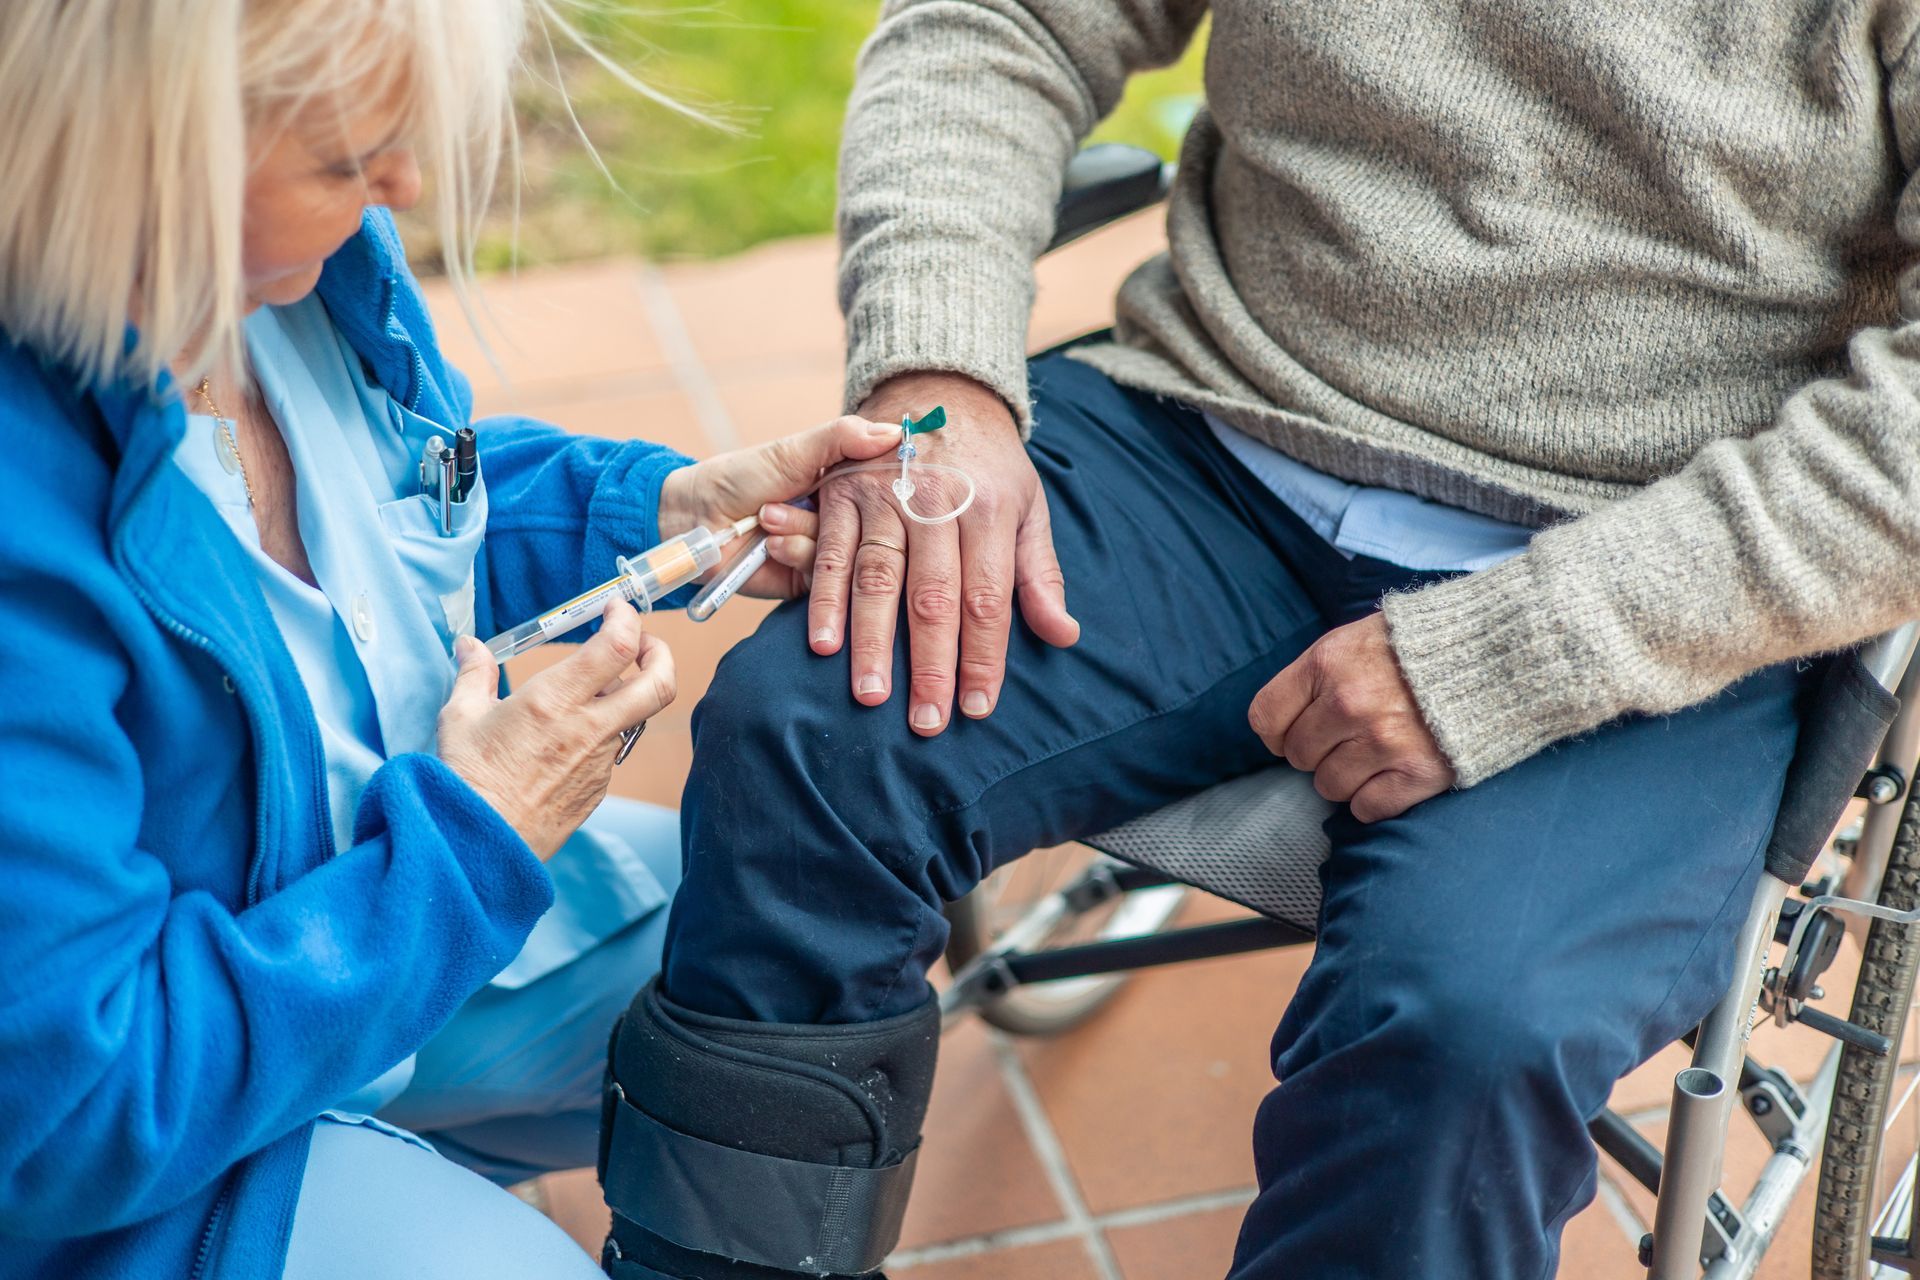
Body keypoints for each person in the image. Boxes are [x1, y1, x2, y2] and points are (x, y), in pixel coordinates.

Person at [597, 1, 1920, 1277]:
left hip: (1662, 546)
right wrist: (934, 371)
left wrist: (1510, 658)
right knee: (812, 743)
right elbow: (999, 20)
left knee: (1467, 1026)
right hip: (1228, 420)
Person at [0, 3, 904, 1278]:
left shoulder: (291, 273)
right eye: (341, 157)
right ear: (125, 140)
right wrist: (474, 845)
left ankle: (396, 1158)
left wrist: (657, 512)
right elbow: (68, 1107)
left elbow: (399, 509)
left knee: (796, 965)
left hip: (334, 913)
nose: (406, 185)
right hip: (108, 1152)